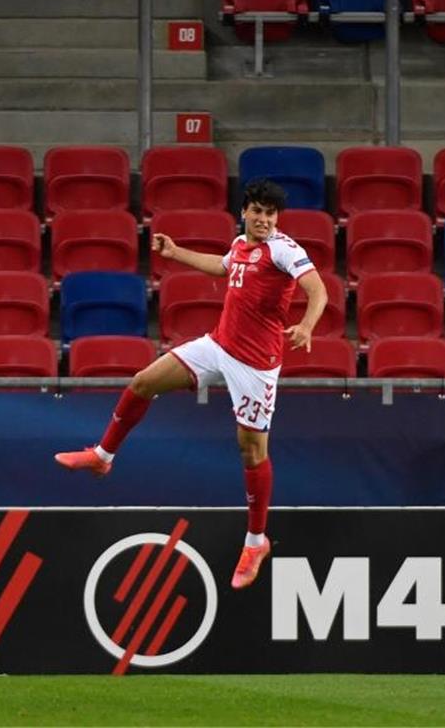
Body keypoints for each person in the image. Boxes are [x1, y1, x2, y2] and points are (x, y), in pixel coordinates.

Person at [55, 179, 328, 591]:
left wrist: (307, 324)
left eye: (271, 214)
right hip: (218, 345)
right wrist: (175, 252)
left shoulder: (285, 249)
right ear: (245, 212)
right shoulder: (240, 245)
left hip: (256, 365)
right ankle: (103, 454)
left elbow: (317, 288)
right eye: (258, 212)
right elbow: (221, 266)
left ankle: (256, 541)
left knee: (251, 450)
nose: (264, 220)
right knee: (144, 381)